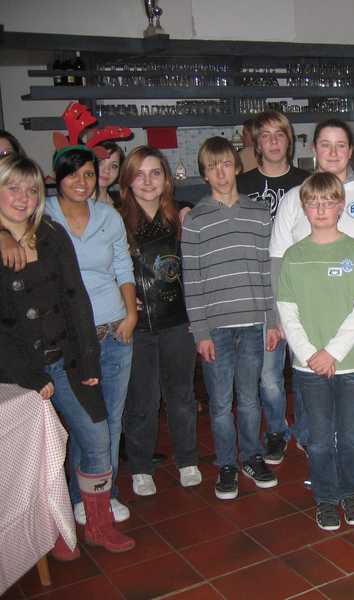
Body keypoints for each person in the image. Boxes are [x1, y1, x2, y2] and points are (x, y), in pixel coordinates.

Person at [0, 154, 134, 557]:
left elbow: (75, 300)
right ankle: (53, 529)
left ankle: (97, 523)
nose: (22, 197)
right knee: (38, 454)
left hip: (67, 360)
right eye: (12, 188)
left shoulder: (51, 234)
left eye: (30, 189)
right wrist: (29, 376)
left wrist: (88, 359)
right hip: (18, 371)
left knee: (96, 436)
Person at [270, 119, 354, 490]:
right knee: (316, 390)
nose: (332, 152)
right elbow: (278, 259)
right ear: (313, 149)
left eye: (340, 144)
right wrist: (279, 314)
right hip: (307, 314)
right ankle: (324, 463)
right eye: (325, 144)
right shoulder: (295, 198)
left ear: (351, 151)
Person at [181, 136, 279, 500]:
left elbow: (268, 271)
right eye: (212, 167)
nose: (220, 173)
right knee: (221, 403)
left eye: (225, 164)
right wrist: (200, 332)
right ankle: (226, 463)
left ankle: (251, 457)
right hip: (216, 329)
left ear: (237, 167)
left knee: (250, 398)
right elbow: (192, 280)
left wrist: (272, 321)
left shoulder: (258, 212)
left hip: (253, 323)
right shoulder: (195, 220)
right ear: (204, 174)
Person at [277, 172, 354, 531]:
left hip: (351, 364)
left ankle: (351, 493)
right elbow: (287, 311)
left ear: (341, 206)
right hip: (309, 367)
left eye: (328, 202)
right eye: (313, 203)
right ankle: (327, 498)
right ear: (304, 207)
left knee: (350, 437)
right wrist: (310, 355)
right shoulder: (294, 256)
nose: (320, 209)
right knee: (318, 440)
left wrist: (331, 353)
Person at [46, 146, 137, 525]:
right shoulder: (43, 216)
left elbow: (123, 267)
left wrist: (131, 314)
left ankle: (105, 494)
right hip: (70, 341)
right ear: (57, 177)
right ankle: (79, 498)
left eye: (88, 174)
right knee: (87, 425)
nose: (81, 182)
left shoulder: (107, 216)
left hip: (114, 332)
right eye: (72, 174)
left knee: (111, 421)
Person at [120, 146, 201, 496]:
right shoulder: (116, 220)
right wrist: (119, 297)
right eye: (139, 174)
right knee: (143, 400)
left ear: (166, 179)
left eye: (155, 173)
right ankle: (140, 467)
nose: (148, 181)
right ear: (127, 180)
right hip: (137, 325)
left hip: (178, 320)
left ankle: (188, 460)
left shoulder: (180, 218)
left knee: (182, 395)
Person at [237, 110, 309, 464]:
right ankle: (278, 430)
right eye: (265, 136)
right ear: (256, 144)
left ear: (289, 140)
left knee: (306, 367)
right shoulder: (242, 184)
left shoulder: (307, 182)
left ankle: (308, 429)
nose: (273, 141)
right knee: (268, 375)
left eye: (279, 134)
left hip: (304, 289)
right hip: (262, 291)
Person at [95, 141, 125, 207]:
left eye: (114, 166)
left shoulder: (121, 204)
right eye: (100, 162)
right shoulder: (77, 203)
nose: (107, 170)